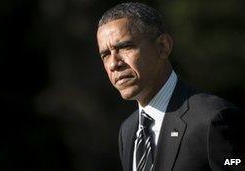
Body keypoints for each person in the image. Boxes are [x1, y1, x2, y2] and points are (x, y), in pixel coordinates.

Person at [96, 2, 244, 171]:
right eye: (106, 55)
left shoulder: (214, 119)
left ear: (163, 47)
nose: (114, 63)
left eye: (124, 47)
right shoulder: (128, 131)